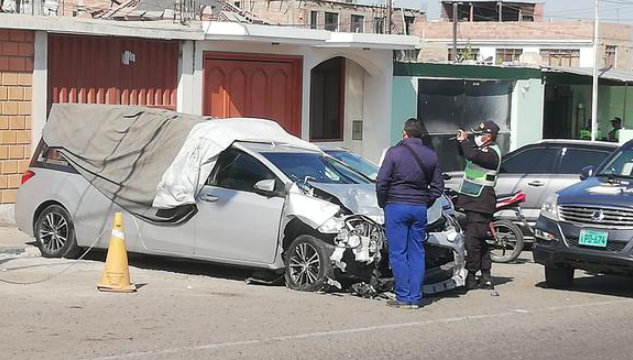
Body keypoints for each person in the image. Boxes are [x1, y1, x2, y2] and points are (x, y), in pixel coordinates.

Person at [376, 118, 444, 309]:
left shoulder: (394, 153)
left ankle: (403, 296)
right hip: (419, 208)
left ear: (404, 133)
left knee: (398, 253)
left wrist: (384, 202)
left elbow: (382, 182)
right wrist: (425, 202)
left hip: (396, 206)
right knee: (417, 252)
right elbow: (438, 187)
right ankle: (415, 298)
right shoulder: (431, 155)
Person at [455, 121, 501, 291]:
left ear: (489, 137)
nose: (476, 137)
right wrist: (460, 141)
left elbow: (472, 156)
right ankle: (486, 275)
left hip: (482, 202)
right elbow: (465, 153)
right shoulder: (481, 150)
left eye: (480, 135)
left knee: (472, 240)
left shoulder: (491, 154)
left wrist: (465, 142)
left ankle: (472, 275)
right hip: (472, 200)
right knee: (479, 239)